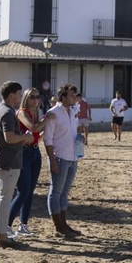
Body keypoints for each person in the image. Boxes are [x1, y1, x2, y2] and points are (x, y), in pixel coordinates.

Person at [0, 82, 33, 249]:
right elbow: (9, 137)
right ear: (12, 94)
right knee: (4, 198)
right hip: (8, 160)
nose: (20, 97)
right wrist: (25, 138)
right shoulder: (7, 112)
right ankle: (2, 236)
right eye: (19, 94)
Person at [8, 88, 49, 240]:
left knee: (30, 191)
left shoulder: (36, 114)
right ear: (26, 98)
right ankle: (7, 224)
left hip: (34, 152)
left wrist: (44, 131)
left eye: (38, 97)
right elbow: (33, 128)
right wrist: (47, 119)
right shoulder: (22, 112)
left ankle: (23, 225)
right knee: (23, 191)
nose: (36, 99)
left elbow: (36, 135)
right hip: (24, 154)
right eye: (32, 97)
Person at [40, 85, 80, 240]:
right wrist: (52, 159)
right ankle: (58, 226)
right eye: (71, 95)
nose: (74, 97)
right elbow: (47, 139)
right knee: (55, 192)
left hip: (72, 156)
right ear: (62, 96)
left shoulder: (73, 111)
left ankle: (64, 224)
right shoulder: (53, 113)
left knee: (64, 193)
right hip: (60, 157)